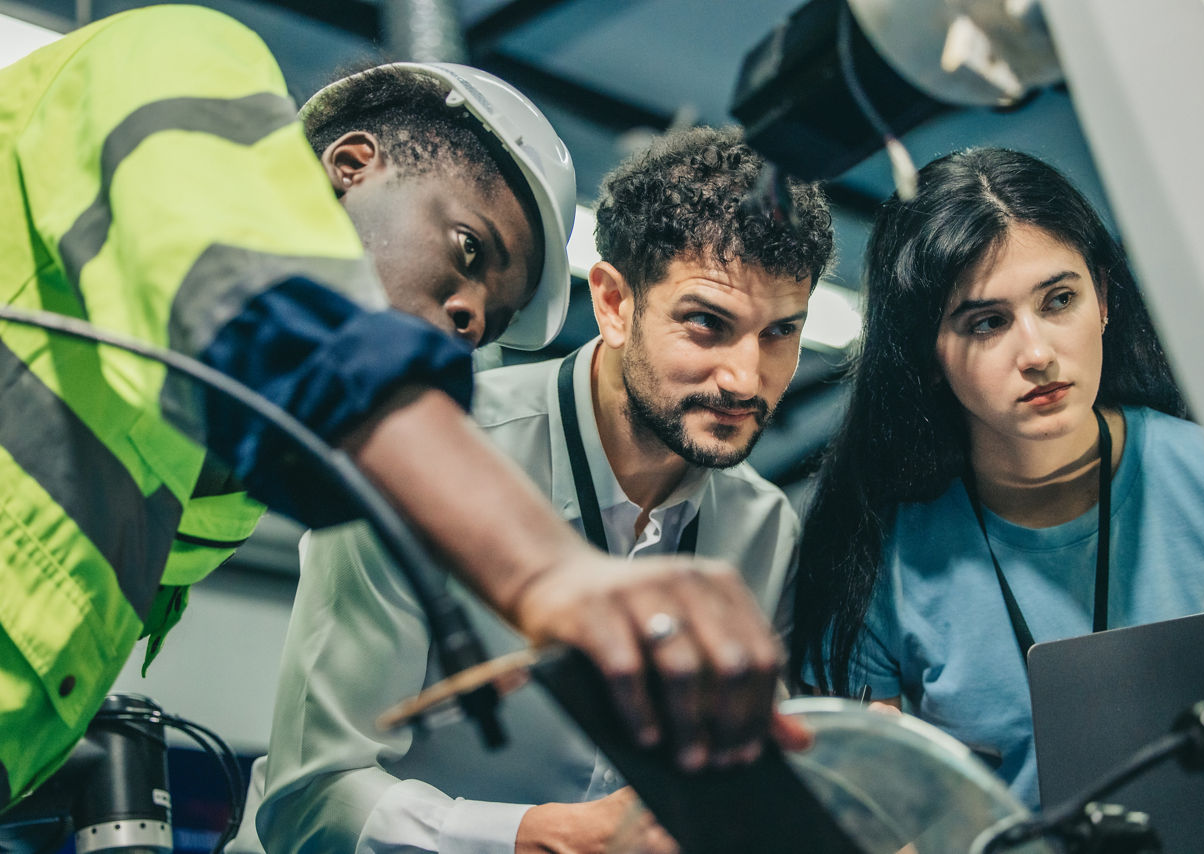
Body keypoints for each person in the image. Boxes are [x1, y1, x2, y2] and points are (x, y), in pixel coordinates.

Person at [0, 6, 799, 809]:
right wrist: (550, 573)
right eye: (468, 251)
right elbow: (265, 299)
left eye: (491, 315)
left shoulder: (221, 483)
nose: (470, 319)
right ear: (353, 162)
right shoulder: (178, 55)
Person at [230, 126, 834, 854]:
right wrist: (539, 838)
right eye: (707, 323)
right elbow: (310, 802)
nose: (744, 377)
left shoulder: (765, 530)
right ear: (613, 303)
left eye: (780, 334)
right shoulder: (425, 454)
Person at [789, 147, 1204, 808]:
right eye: (987, 323)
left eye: (1060, 299)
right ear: (928, 354)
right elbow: (871, 821)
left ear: (1104, 298)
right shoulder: (877, 553)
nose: (1037, 353)